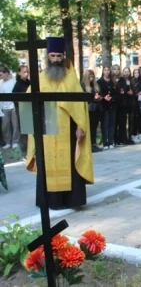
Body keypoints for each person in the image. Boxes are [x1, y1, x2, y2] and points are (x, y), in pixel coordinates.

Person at [26, 37, 94, 210]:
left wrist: (80, 127)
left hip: (67, 128)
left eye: (58, 56)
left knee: (69, 162)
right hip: (47, 126)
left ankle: (72, 200)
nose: (55, 59)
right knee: (47, 163)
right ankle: (49, 201)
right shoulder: (40, 78)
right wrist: (32, 125)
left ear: (63, 56)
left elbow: (79, 104)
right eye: (53, 56)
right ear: (47, 57)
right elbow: (28, 101)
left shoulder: (71, 78)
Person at [81, 69, 103, 153]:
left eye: (92, 76)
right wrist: (93, 98)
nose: (91, 78)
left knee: (95, 127)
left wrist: (100, 97)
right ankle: (89, 145)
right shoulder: (83, 85)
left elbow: (100, 93)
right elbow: (84, 98)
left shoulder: (95, 85)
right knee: (90, 127)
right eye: (89, 76)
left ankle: (94, 144)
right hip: (89, 108)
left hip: (97, 108)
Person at [97, 66, 117, 150]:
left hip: (112, 105)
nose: (107, 72)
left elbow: (117, 93)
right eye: (105, 70)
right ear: (103, 71)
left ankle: (111, 141)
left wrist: (112, 98)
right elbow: (98, 93)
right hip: (103, 105)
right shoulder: (99, 82)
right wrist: (103, 97)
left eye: (108, 70)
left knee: (111, 123)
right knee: (104, 124)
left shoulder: (113, 82)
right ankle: (105, 142)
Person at [13, 65, 31, 158]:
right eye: (24, 72)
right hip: (22, 111)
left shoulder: (29, 82)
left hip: (30, 110)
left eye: (27, 72)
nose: (26, 74)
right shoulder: (18, 85)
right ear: (19, 73)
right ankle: (24, 152)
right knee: (24, 132)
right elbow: (14, 98)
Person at [0, 67, 19, 149]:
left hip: (13, 106)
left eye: (1, 74)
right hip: (4, 107)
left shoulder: (14, 81)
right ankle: (7, 142)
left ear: (6, 73)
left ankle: (15, 141)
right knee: (5, 125)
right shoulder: (1, 83)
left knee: (15, 125)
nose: (1, 76)